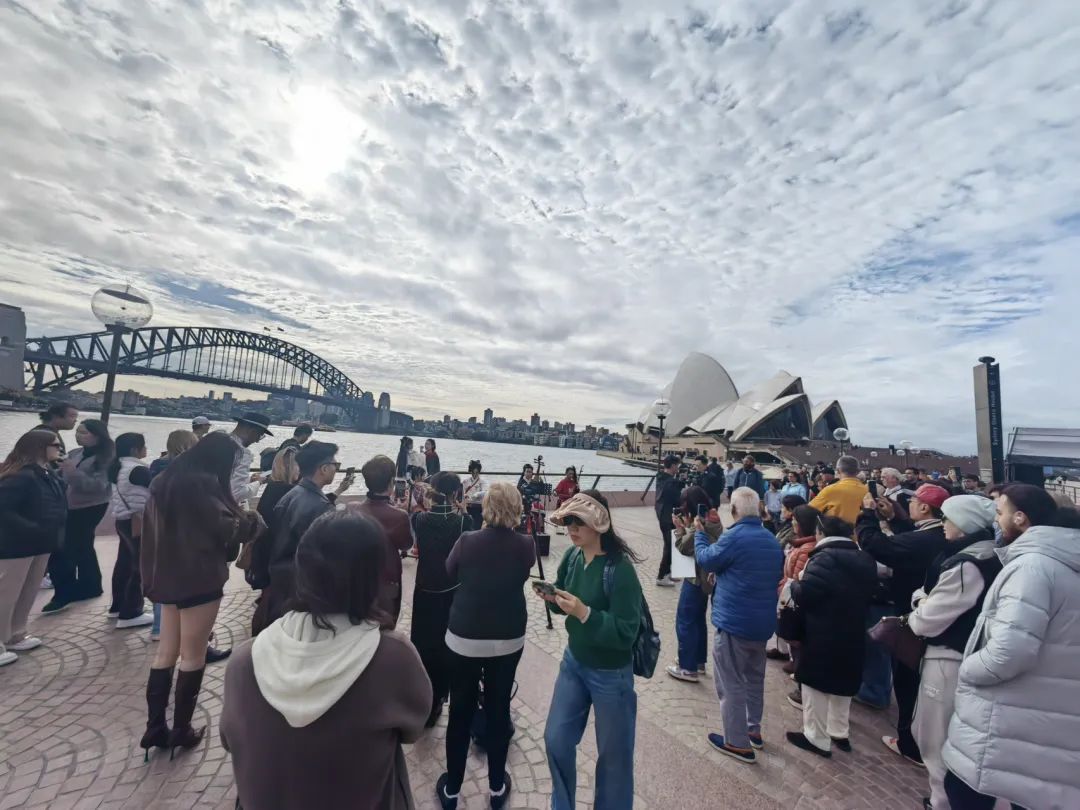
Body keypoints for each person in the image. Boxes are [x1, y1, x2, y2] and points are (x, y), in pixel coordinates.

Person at [220, 511, 431, 810]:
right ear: (373, 577)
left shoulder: (244, 661)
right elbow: (413, 729)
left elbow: (230, 740)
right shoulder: (392, 658)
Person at [942, 485, 1080, 810]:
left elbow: (1007, 653)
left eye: (1000, 512)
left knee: (964, 792)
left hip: (1008, 716)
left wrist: (967, 667)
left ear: (1020, 518)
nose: (996, 519)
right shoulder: (1061, 564)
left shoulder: (1032, 567)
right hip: (1044, 715)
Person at [138, 432, 263, 760]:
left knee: (166, 651)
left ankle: (154, 728)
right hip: (197, 576)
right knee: (193, 655)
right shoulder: (203, 485)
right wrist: (250, 522)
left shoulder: (165, 480)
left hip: (165, 575)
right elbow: (226, 530)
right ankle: (181, 729)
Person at [542, 491, 643, 810]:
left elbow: (628, 631)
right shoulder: (573, 557)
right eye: (568, 520)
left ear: (598, 524)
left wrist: (585, 613)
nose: (571, 528)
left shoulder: (620, 569)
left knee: (614, 758)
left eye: (578, 522)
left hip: (611, 674)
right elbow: (566, 602)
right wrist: (555, 601)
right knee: (556, 739)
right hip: (574, 662)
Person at [436, 483, 534, 810]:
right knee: (498, 708)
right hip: (508, 637)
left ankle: (451, 789)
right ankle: (495, 788)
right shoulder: (525, 545)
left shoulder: (467, 541)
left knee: (460, 711)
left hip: (464, 635)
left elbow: (450, 571)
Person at [906, 495, 1001, 810]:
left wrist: (919, 602)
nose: (943, 523)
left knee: (934, 734)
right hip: (969, 655)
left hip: (948, 656)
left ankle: (941, 801)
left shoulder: (967, 564)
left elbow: (926, 621)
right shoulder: (990, 555)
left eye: (949, 518)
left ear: (964, 524)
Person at [856, 482, 950, 765]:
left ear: (924, 507)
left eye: (913, 502)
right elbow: (910, 540)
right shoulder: (933, 534)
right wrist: (896, 519)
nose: (907, 505)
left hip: (913, 614)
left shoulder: (928, 539)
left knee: (908, 679)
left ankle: (909, 742)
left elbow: (879, 546)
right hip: (919, 613)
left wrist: (867, 514)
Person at [695, 487, 784, 763]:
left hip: (734, 622)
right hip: (761, 624)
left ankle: (737, 742)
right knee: (754, 679)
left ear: (733, 511)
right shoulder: (771, 540)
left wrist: (699, 533)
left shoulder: (734, 536)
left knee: (730, 681)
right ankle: (752, 730)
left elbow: (706, 558)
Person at [784, 515, 878, 758]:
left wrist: (794, 585)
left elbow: (808, 594)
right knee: (843, 683)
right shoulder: (864, 557)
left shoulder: (824, 558)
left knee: (814, 682)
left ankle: (816, 736)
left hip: (823, 628)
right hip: (854, 627)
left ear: (821, 532)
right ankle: (839, 730)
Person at [261, 442, 350, 629]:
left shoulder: (292, 494)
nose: (336, 469)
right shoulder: (320, 506)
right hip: (301, 586)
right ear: (324, 469)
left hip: (281, 578)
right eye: (336, 465)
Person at [0, 430, 67, 667]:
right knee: (6, 592)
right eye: (56, 445)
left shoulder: (46, 474)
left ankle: (15, 633)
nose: (60, 449)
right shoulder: (21, 476)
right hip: (17, 545)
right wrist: (33, 528)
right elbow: (4, 511)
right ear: (40, 447)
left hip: (40, 543)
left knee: (27, 589)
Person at [411, 472, 472, 728]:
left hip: (424, 587)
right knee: (445, 644)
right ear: (456, 492)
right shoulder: (463, 522)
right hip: (451, 589)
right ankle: (439, 696)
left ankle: (421, 696)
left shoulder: (418, 518)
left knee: (423, 642)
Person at [43, 419, 113, 613]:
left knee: (64, 549)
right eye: (78, 432)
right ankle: (91, 586)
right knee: (83, 546)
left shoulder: (106, 458)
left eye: (84, 433)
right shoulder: (75, 453)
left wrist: (72, 472)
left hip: (90, 506)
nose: (78, 435)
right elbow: (63, 477)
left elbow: (96, 486)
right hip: (71, 505)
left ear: (97, 436)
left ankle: (63, 594)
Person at [351, 455, 414, 624]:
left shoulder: (352, 508)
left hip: (357, 577)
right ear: (391, 482)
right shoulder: (399, 516)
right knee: (385, 626)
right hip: (387, 580)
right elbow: (407, 544)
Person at [667, 485, 720, 682]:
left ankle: (687, 668)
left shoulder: (701, 524)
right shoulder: (714, 518)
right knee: (697, 619)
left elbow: (684, 546)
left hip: (695, 577)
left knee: (685, 620)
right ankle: (697, 661)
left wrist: (681, 529)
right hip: (705, 579)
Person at [108, 433, 154, 629]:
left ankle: (117, 607)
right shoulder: (137, 470)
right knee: (140, 566)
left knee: (125, 564)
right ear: (135, 449)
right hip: (138, 520)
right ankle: (131, 612)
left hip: (123, 519)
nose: (146, 450)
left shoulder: (117, 467)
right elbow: (157, 487)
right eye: (144, 446)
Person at [768, 504, 819, 663]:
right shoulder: (799, 543)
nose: (793, 523)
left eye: (795, 520)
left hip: (792, 593)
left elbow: (797, 577)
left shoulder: (806, 549)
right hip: (786, 589)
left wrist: (782, 587)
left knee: (795, 635)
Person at [809, 455, 869, 525]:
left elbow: (807, 511)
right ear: (858, 471)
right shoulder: (867, 491)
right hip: (861, 534)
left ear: (838, 470)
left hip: (835, 534)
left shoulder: (830, 490)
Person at [229, 412, 273, 505]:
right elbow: (237, 493)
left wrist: (249, 480)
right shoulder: (241, 452)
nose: (257, 441)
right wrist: (258, 482)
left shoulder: (218, 441)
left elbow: (226, 480)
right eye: (259, 435)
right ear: (252, 431)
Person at [653, 455, 684, 587]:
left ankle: (668, 573)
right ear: (672, 466)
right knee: (669, 545)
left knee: (671, 544)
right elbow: (677, 499)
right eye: (677, 465)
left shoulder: (661, 478)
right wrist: (680, 484)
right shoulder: (670, 482)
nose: (678, 468)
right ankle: (661, 576)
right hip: (667, 516)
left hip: (662, 514)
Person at [462, 460, 488, 530]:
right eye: (473, 472)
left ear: (479, 472)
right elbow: (462, 492)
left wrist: (477, 494)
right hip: (468, 506)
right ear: (471, 471)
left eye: (476, 472)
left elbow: (485, 491)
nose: (475, 474)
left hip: (478, 507)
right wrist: (464, 495)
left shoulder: (483, 482)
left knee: (477, 525)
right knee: (467, 525)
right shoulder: (465, 481)